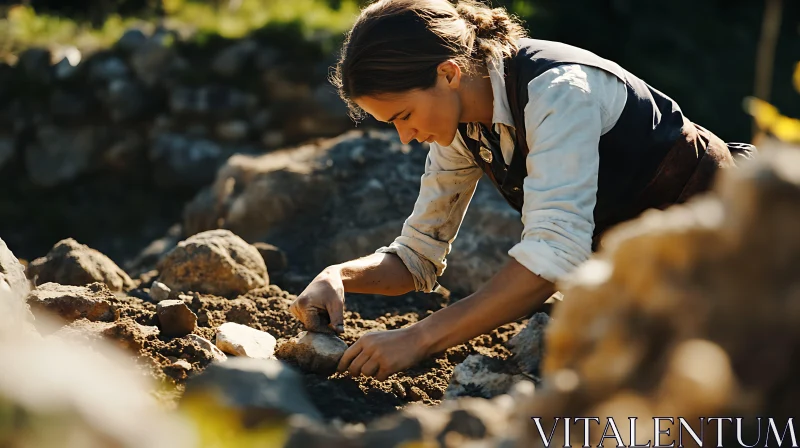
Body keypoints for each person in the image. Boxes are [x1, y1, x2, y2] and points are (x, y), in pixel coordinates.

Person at [288, 0, 756, 381]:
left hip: (746, 251)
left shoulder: (559, 91)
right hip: (648, 277)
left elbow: (552, 258)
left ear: (449, 74)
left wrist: (418, 337)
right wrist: (340, 276)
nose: (405, 138)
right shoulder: (459, 125)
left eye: (403, 117)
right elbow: (417, 256)